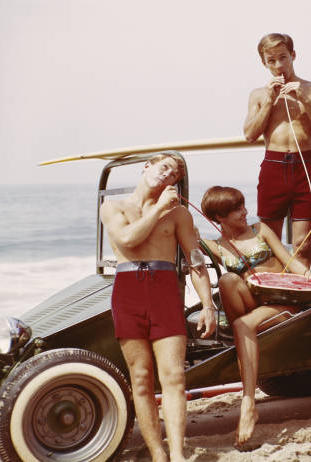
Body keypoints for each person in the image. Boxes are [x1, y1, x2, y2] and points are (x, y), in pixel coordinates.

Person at [100, 152, 216, 462]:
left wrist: (208, 304)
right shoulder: (113, 207)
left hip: (165, 292)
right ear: (146, 167)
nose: (168, 175)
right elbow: (128, 240)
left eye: (175, 174)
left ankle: (177, 453)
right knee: (140, 378)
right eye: (164, 167)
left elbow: (195, 259)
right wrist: (158, 210)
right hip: (128, 292)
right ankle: (157, 453)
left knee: (174, 376)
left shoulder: (178, 214)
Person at [200, 186, 311, 447]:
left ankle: (249, 403)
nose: (244, 212)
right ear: (219, 218)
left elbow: (290, 261)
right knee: (227, 280)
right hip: (250, 306)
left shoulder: (260, 230)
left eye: (243, 206)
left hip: (282, 303)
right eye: (236, 209)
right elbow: (186, 245)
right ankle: (244, 335)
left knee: (241, 323)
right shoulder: (216, 246)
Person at [243, 32, 311, 266]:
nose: (278, 65)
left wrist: (304, 100)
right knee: (269, 240)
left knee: (302, 242)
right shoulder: (258, 94)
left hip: (303, 164)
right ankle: (275, 291)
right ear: (264, 63)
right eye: (271, 61)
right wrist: (269, 102)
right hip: (273, 165)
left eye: (283, 58)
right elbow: (250, 134)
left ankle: (302, 298)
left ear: (293, 55)